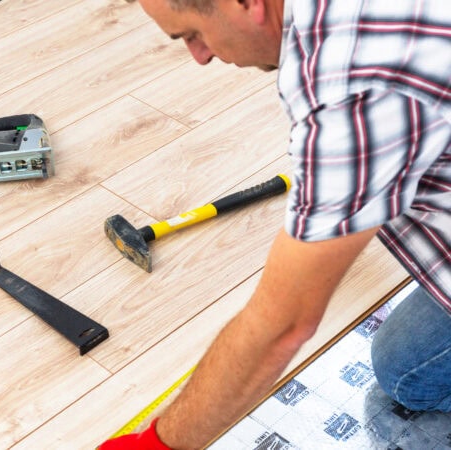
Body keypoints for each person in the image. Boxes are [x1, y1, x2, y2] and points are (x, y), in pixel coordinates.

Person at [99, 0, 451, 448]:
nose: (199, 55)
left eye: (192, 34)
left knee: (407, 379)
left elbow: (283, 326)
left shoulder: (350, 83)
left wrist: (153, 444)